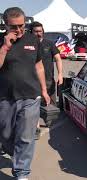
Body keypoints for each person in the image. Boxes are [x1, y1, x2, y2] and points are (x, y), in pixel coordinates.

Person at [0, 7, 50, 180]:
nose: (19, 30)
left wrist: (43, 90)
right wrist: (5, 48)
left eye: (22, 25)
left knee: (26, 136)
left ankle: (22, 173)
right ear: (5, 25)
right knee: (5, 134)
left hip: (31, 95)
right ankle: (15, 153)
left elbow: (39, 66)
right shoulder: (0, 41)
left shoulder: (32, 39)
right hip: (5, 97)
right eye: (14, 27)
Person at [30, 21, 63, 138]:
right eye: (36, 31)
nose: (38, 33)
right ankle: (36, 128)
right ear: (31, 32)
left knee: (50, 105)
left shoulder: (49, 43)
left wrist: (60, 74)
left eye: (40, 31)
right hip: (32, 80)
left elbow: (58, 59)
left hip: (48, 79)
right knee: (34, 105)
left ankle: (49, 123)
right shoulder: (28, 45)